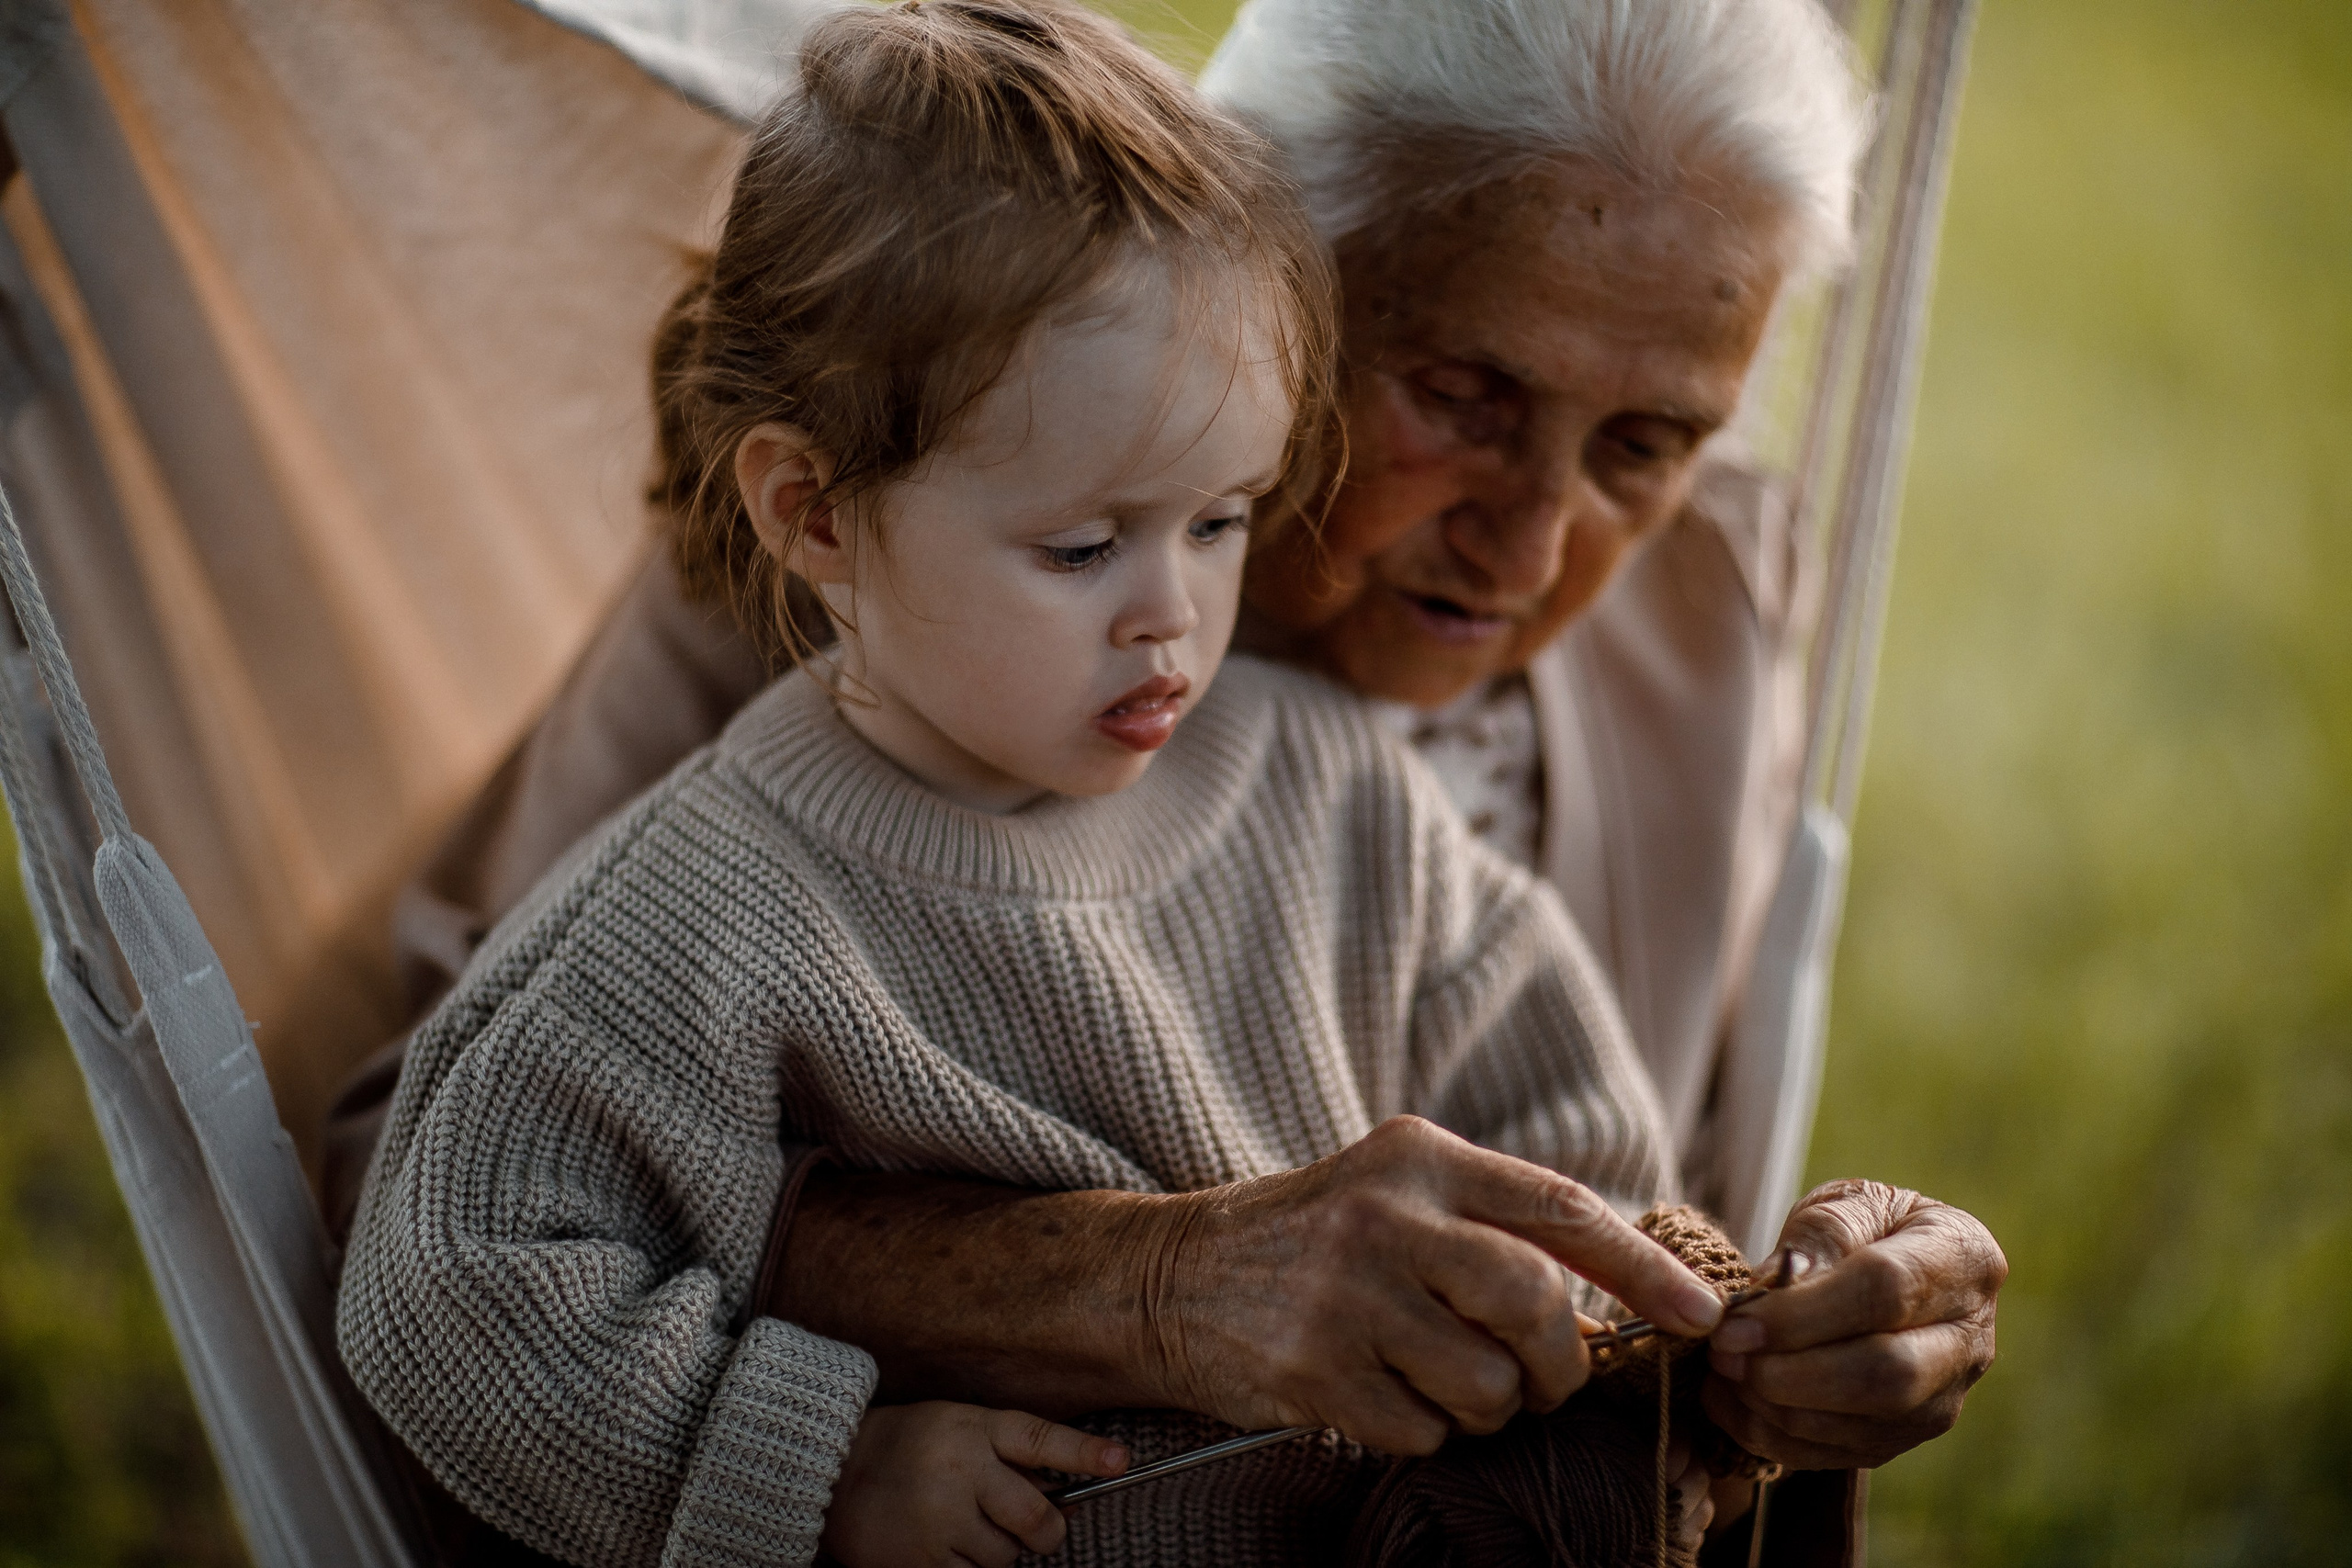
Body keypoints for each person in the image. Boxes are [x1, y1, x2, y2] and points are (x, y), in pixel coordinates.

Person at [327, 0, 2007, 1560]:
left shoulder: (1691, 628)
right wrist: (1136, 1287)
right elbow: (425, 1186)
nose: (1542, 543)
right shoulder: (868, 586)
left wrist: (1770, 1332)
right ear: (1285, 276)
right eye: (1464, 396)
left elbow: (1610, 1172)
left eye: (1649, 447)